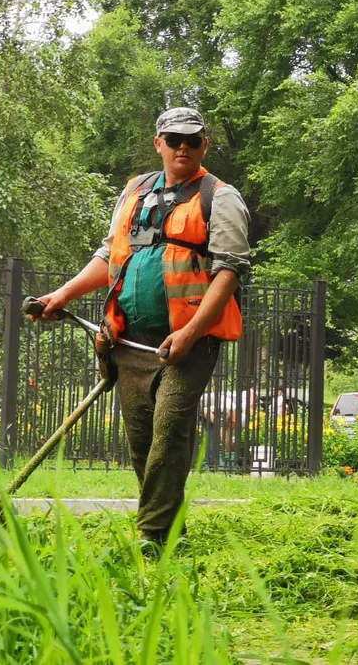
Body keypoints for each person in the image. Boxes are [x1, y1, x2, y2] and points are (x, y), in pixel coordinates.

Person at [32, 106, 250, 547]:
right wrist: (62, 295)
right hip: (127, 339)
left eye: (193, 140)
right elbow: (109, 255)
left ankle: (153, 537)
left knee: (169, 432)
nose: (183, 147)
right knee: (142, 439)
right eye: (174, 140)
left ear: (204, 145)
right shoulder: (135, 190)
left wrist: (190, 333)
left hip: (188, 341)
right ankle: (169, 530)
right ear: (159, 144)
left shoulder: (220, 197)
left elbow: (228, 272)